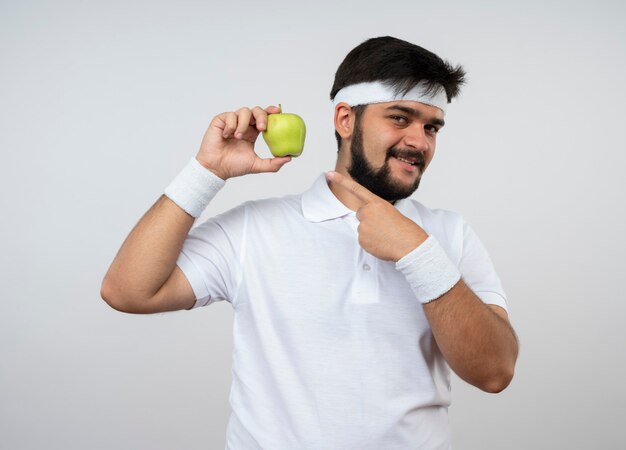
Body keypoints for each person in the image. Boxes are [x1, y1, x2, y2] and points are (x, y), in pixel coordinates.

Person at [101, 36, 519, 449]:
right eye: (399, 118)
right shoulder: (254, 229)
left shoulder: (449, 234)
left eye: (431, 127)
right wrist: (206, 171)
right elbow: (128, 291)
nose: (420, 142)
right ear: (345, 120)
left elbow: (494, 372)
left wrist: (418, 252)